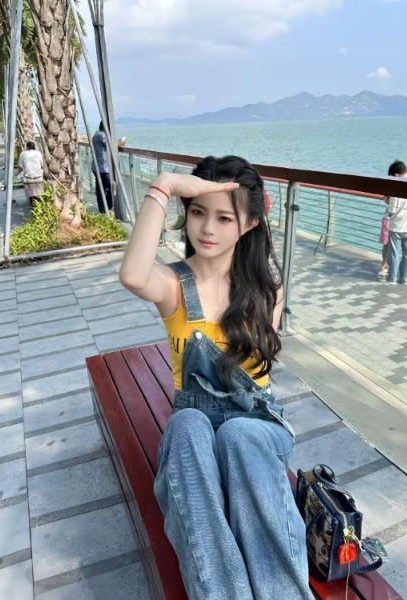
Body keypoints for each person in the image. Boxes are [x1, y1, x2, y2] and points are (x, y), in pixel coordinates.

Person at [119, 156, 313, 600]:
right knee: (186, 426)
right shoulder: (172, 284)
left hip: (256, 424)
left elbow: (259, 379)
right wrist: (164, 185)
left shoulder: (267, 290)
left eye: (224, 218)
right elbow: (131, 273)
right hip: (196, 423)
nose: (207, 228)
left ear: (249, 224)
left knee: (239, 436)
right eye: (197, 212)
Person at [383, 160, 407, 285]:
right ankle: (404, 279)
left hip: (397, 226)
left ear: (396, 175)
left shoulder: (397, 189)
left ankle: (391, 278)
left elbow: (392, 210)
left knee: (394, 253)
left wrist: (387, 200)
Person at [91, 121, 125, 215]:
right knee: (109, 187)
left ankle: (102, 210)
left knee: (100, 188)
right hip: (103, 168)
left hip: (97, 167)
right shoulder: (102, 135)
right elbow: (111, 144)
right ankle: (109, 208)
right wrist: (120, 142)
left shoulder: (96, 135)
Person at [17, 141, 44, 208]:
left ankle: (33, 206)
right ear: (34, 147)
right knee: (39, 193)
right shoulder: (38, 153)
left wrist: (18, 176)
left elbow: (20, 167)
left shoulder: (23, 154)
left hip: (28, 179)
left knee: (30, 194)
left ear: (27, 147)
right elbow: (42, 165)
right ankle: (40, 206)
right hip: (39, 178)